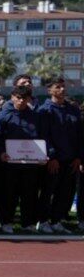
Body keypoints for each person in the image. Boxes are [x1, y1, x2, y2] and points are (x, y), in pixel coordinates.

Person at [0, 84, 47, 234]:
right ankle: (6, 222)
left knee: (29, 194)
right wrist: (1, 153)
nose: (21, 101)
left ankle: (27, 223)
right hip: (9, 163)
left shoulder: (37, 117)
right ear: (12, 98)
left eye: (25, 98)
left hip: (31, 163)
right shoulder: (2, 116)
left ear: (29, 99)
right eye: (18, 98)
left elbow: (42, 137)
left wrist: (43, 154)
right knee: (8, 193)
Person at [37, 78, 82, 233]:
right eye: (58, 87)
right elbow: (44, 135)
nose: (62, 90)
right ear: (50, 90)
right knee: (48, 191)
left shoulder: (73, 109)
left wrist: (78, 156)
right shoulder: (44, 110)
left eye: (63, 87)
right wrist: (51, 157)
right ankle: (43, 221)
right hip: (53, 160)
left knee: (64, 192)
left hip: (70, 159)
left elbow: (79, 135)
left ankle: (56, 221)